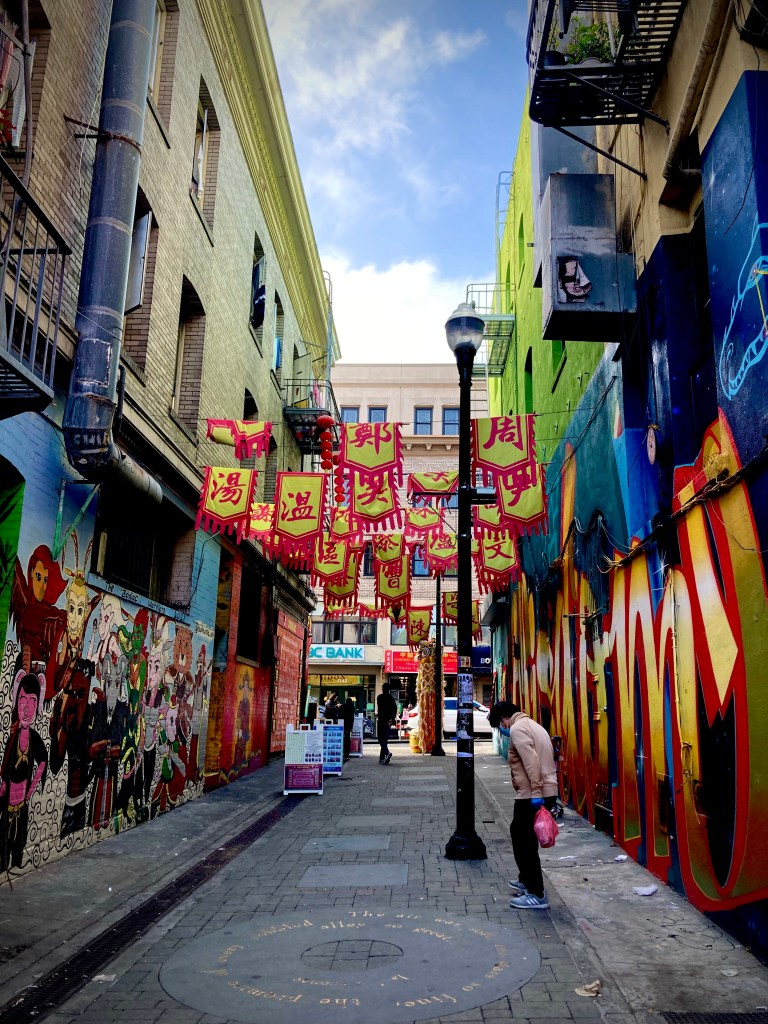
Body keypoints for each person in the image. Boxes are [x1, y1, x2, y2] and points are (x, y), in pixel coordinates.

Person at [488, 701, 558, 910]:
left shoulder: (518, 729)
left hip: (532, 794)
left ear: (504, 718)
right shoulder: (533, 725)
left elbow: (531, 762)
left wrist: (536, 792)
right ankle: (526, 881)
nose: (503, 728)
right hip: (541, 791)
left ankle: (537, 893)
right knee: (521, 835)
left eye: (501, 723)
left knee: (524, 842)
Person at [376, 684, 397, 765]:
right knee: (384, 739)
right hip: (388, 721)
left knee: (380, 739)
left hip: (381, 720)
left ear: (383, 689)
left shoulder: (379, 697)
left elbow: (380, 708)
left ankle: (387, 752)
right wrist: (392, 718)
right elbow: (394, 709)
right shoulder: (391, 698)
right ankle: (382, 758)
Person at [340, 697, 355, 761]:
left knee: (341, 738)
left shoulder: (342, 706)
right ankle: (347, 754)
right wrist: (351, 726)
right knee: (347, 739)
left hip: (342, 723)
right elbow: (352, 718)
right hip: (348, 725)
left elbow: (339, 715)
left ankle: (341, 753)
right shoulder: (352, 707)